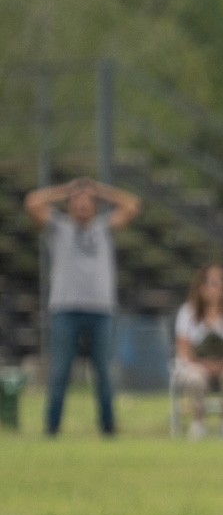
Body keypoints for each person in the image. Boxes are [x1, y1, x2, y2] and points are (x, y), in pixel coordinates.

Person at [24, 176, 141, 437]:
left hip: (101, 310)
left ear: (95, 206)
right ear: (69, 206)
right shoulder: (59, 227)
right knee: (60, 371)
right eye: (76, 202)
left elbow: (132, 205)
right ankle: (52, 427)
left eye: (87, 202)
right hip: (65, 308)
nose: (82, 206)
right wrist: (67, 189)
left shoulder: (103, 227)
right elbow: (32, 202)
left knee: (103, 372)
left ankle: (108, 427)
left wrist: (100, 189)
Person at [173, 263, 223, 440]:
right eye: (211, 282)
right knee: (193, 378)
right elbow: (184, 350)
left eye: (219, 282)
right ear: (200, 286)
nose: (215, 288)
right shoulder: (187, 312)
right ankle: (199, 421)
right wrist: (205, 364)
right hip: (198, 364)